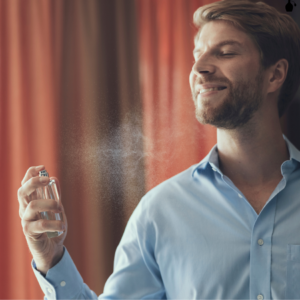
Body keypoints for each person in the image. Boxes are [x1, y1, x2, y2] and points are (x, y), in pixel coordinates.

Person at [17, 0, 300, 299]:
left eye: (226, 52)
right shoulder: (159, 213)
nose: (199, 67)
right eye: (197, 54)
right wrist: (52, 259)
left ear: (275, 75)